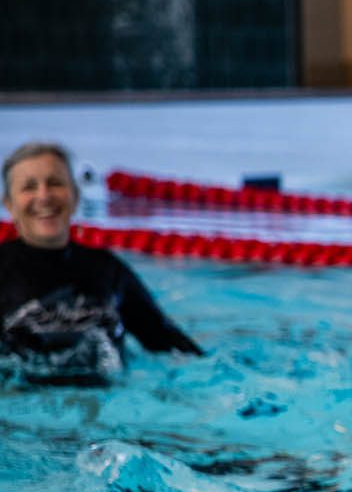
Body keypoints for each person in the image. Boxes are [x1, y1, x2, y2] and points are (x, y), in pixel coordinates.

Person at [2, 141, 202, 380]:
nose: (44, 196)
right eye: (29, 187)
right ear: (9, 205)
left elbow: (168, 342)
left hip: (106, 399)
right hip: (21, 397)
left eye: (55, 183)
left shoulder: (108, 270)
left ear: (75, 195)